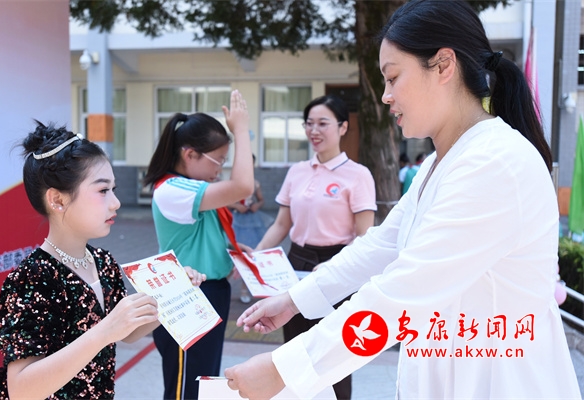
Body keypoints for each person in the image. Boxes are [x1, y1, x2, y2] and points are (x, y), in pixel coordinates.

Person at [223, 1, 582, 399]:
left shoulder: (495, 163)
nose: (386, 96)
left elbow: (405, 289)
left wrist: (284, 370)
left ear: (443, 66)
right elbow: (380, 246)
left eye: (393, 78)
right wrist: (296, 300)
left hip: (498, 381)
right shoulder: (439, 164)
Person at [0, 121, 206, 399]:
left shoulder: (102, 261)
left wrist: (174, 292)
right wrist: (105, 331)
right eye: (103, 191)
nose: (116, 202)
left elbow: (126, 332)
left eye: (113, 189)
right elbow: (21, 389)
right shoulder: (32, 278)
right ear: (57, 200)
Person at [252, 94, 377, 400]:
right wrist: (255, 257)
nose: (314, 131)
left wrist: (336, 265)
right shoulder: (297, 171)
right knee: (295, 351)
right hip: (295, 263)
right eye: (309, 124)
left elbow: (365, 236)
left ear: (343, 127)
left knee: (335, 353)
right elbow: (281, 224)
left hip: (337, 267)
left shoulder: (358, 175)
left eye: (323, 123)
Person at [143, 90, 254, 400]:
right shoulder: (173, 190)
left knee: (202, 384)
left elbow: (197, 235)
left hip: (210, 292)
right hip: (188, 295)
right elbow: (243, 186)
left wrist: (227, 250)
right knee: (186, 389)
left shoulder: (192, 188)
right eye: (218, 160)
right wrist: (241, 130)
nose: (221, 168)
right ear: (190, 154)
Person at [229, 154, 271, 304]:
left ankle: (244, 288)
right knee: (231, 254)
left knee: (248, 254)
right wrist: (236, 206)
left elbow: (261, 200)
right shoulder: (232, 182)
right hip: (236, 220)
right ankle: (225, 282)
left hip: (251, 221)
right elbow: (224, 201)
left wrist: (256, 205)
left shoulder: (255, 182)